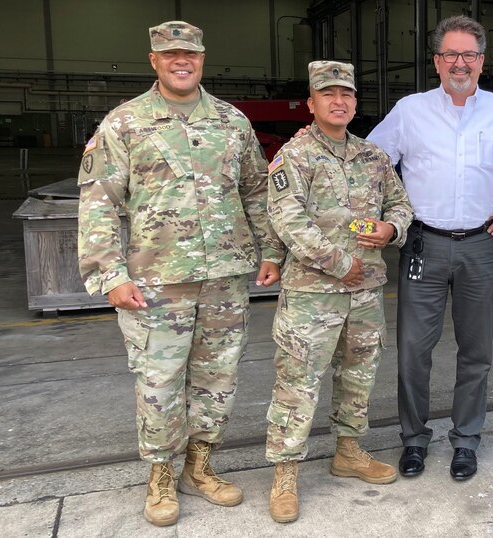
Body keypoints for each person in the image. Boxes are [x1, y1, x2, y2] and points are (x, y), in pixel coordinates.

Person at [77, 21, 284, 527]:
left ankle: (200, 466)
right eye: (170, 54)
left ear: (202, 58)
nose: (181, 61)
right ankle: (160, 476)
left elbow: (257, 192)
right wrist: (110, 274)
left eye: (189, 53)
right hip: (155, 281)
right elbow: (99, 202)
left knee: (217, 380)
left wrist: (271, 250)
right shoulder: (124, 124)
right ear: (154, 60)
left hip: (225, 277)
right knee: (159, 381)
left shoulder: (231, 122)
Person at [367, 14, 493, 481]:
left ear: (482, 61)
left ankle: (466, 439)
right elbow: (369, 164)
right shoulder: (410, 111)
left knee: (476, 351)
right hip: (423, 245)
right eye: (450, 54)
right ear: (436, 61)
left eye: (469, 54)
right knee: (413, 350)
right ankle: (413, 439)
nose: (460, 63)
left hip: (482, 247)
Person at [265, 60, 414, 524]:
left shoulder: (373, 157)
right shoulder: (295, 157)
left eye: (346, 94)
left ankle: (348, 451)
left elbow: (401, 204)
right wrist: (341, 265)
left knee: (359, 378)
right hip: (313, 292)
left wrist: (393, 229)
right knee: (298, 383)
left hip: (365, 293)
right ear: (311, 103)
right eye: (328, 94)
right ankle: (285, 472)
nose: (339, 101)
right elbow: (288, 221)